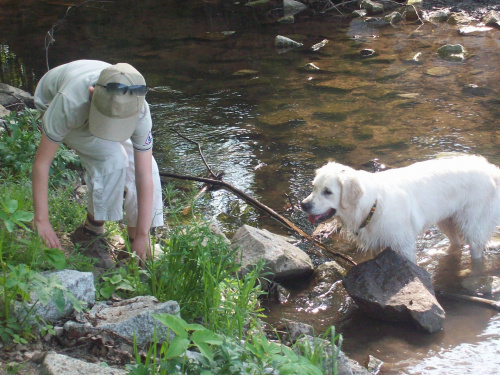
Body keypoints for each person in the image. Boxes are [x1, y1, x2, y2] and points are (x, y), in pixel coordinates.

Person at [32, 60, 164, 264]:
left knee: (150, 167)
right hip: (52, 101)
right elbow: (42, 164)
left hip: (107, 108)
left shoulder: (138, 108)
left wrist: (142, 234)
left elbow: (144, 174)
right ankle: (90, 232)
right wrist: (42, 221)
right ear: (93, 92)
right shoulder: (69, 102)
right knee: (112, 159)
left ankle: (134, 244)